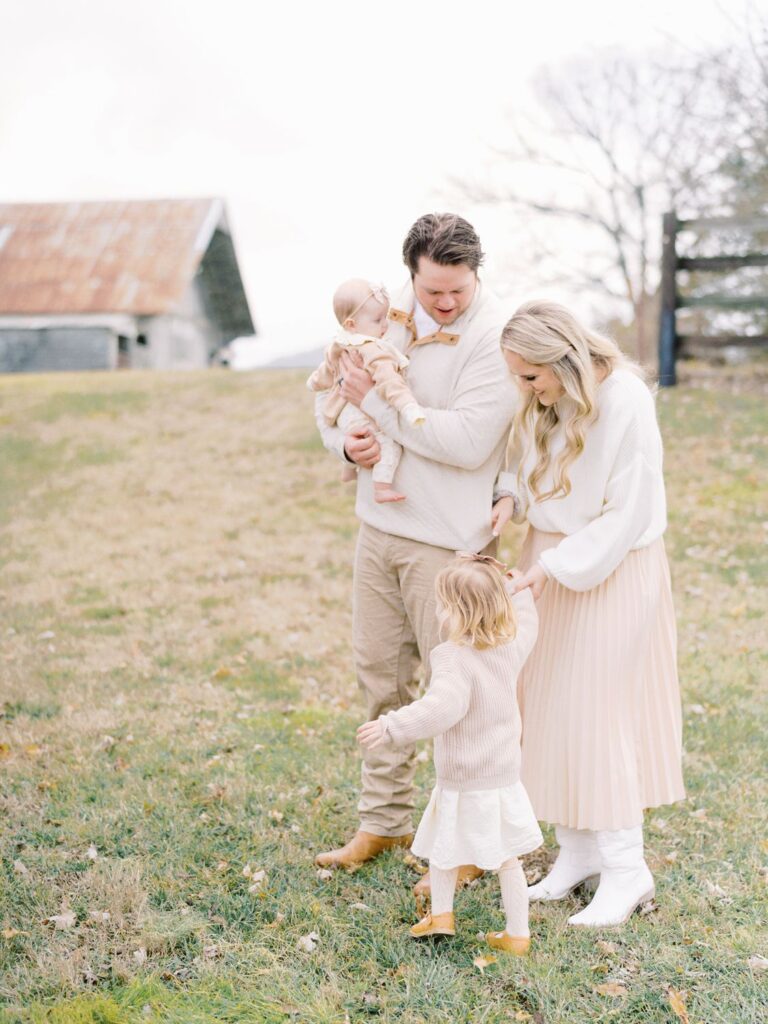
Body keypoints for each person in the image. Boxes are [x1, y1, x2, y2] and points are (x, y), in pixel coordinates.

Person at [313, 214, 516, 884]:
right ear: (411, 275)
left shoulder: (494, 337)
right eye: (433, 291)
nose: (446, 303)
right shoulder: (386, 315)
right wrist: (348, 441)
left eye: (457, 289)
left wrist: (389, 409)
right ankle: (385, 818)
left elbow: (467, 443)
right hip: (379, 529)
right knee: (380, 679)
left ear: (474, 274)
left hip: (450, 547)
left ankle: (461, 848)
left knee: (456, 694)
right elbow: (336, 398)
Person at [492, 300, 685, 928]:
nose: (525, 389)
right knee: (547, 705)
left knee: (597, 711)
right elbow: (531, 472)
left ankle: (627, 868)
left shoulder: (627, 399)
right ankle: (576, 852)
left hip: (611, 568)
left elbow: (627, 511)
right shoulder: (547, 404)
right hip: (548, 561)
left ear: (564, 358)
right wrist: (510, 500)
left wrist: (556, 564)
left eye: (531, 376)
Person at [357, 554, 542, 953]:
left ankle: (442, 914)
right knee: (508, 860)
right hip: (503, 777)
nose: (438, 610)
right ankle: (517, 935)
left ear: (456, 613)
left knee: (445, 847)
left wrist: (391, 727)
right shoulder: (509, 646)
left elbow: (439, 710)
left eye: (441, 603)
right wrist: (518, 592)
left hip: (463, 778)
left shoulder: (453, 658)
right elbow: (528, 623)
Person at [306, 279, 426, 503]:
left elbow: (325, 373)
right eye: (378, 320)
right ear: (352, 324)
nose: (385, 325)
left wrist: (313, 382)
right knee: (387, 444)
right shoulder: (372, 349)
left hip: (341, 412)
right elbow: (389, 380)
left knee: (357, 435)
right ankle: (382, 488)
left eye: (386, 317)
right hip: (359, 412)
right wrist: (407, 406)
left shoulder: (338, 344)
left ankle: (348, 469)